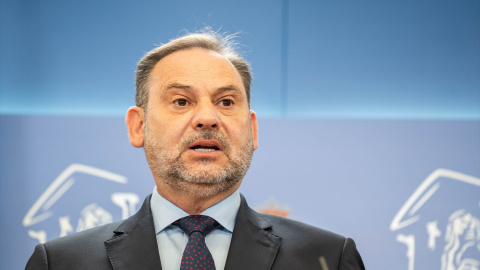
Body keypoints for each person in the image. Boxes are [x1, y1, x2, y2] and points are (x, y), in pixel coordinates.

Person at [25, 29, 365, 270]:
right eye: (181, 101)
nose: (207, 117)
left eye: (226, 101)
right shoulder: (62, 262)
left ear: (252, 128)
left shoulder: (327, 258)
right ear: (138, 126)